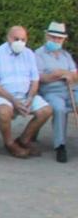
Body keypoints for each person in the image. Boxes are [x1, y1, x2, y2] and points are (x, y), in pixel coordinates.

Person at [0, 25, 52, 158]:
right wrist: (13, 101)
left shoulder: (29, 54)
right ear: (8, 38)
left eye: (23, 39)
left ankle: (23, 140)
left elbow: (35, 80)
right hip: (1, 95)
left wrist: (30, 98)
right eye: (16, 39)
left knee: (46, 110)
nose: (19, 42)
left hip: (24, 95)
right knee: (4, 112)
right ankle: (9, 144)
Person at [34, 20, 75, 163]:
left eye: (59, 38)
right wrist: (57, 74)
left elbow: (75, 74)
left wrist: (66, 74)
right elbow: (38, 78)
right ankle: (60, 146)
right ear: (47, 37)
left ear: (63, 39)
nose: (56, 40)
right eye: (53, 37)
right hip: (50, 92)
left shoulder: (66, 55)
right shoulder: (38, 54)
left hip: (70, 89)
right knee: (59, 109)